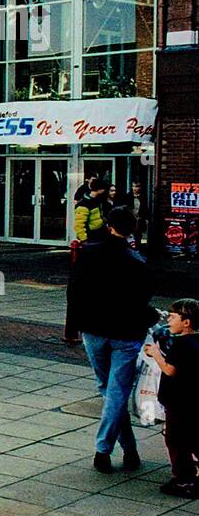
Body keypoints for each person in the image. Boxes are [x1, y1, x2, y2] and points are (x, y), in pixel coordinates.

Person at [68, 206, 153, 473]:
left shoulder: (88, 253)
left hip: (93, 330)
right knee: (116, 392)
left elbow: (75, 292)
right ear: (132, 227)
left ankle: (119, 449)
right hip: (126, 333)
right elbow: (142, 300)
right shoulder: (137, 260)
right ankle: (111, 449)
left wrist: (76, 324)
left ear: (108, 225)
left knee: (108, 390)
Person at [144, 299, 199, 498]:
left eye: (174, 317)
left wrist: (156, 354)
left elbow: (170, 370)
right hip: (193, 401)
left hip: (178, 401)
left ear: (187, 322)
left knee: (175, 440)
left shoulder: (181, 344)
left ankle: (184, 479)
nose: (169, 320)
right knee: (192, 437)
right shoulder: (196, 341)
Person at [73, 177, 109, 244]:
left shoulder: (97, 201)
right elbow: (79, 225)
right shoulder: (84, 204)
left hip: (98, 235)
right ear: (100, 189)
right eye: (104, 189)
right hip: (91, 237)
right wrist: (84, 240)